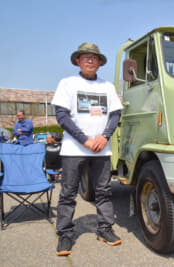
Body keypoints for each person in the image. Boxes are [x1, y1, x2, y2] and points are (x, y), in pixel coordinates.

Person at [52, 43, 123, 256]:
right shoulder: (67, 83)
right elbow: (62, 116)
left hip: (101, 150)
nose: (90, 60)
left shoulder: (107, 87)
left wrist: (103, 137)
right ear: (78, 61)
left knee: (103, 192)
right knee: (68, 193)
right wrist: (85, 140)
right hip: (74, 149)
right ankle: (65, 234)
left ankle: (105, 229)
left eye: (95, 57)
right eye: (86, 57)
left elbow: (115, 115)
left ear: (100, 62)